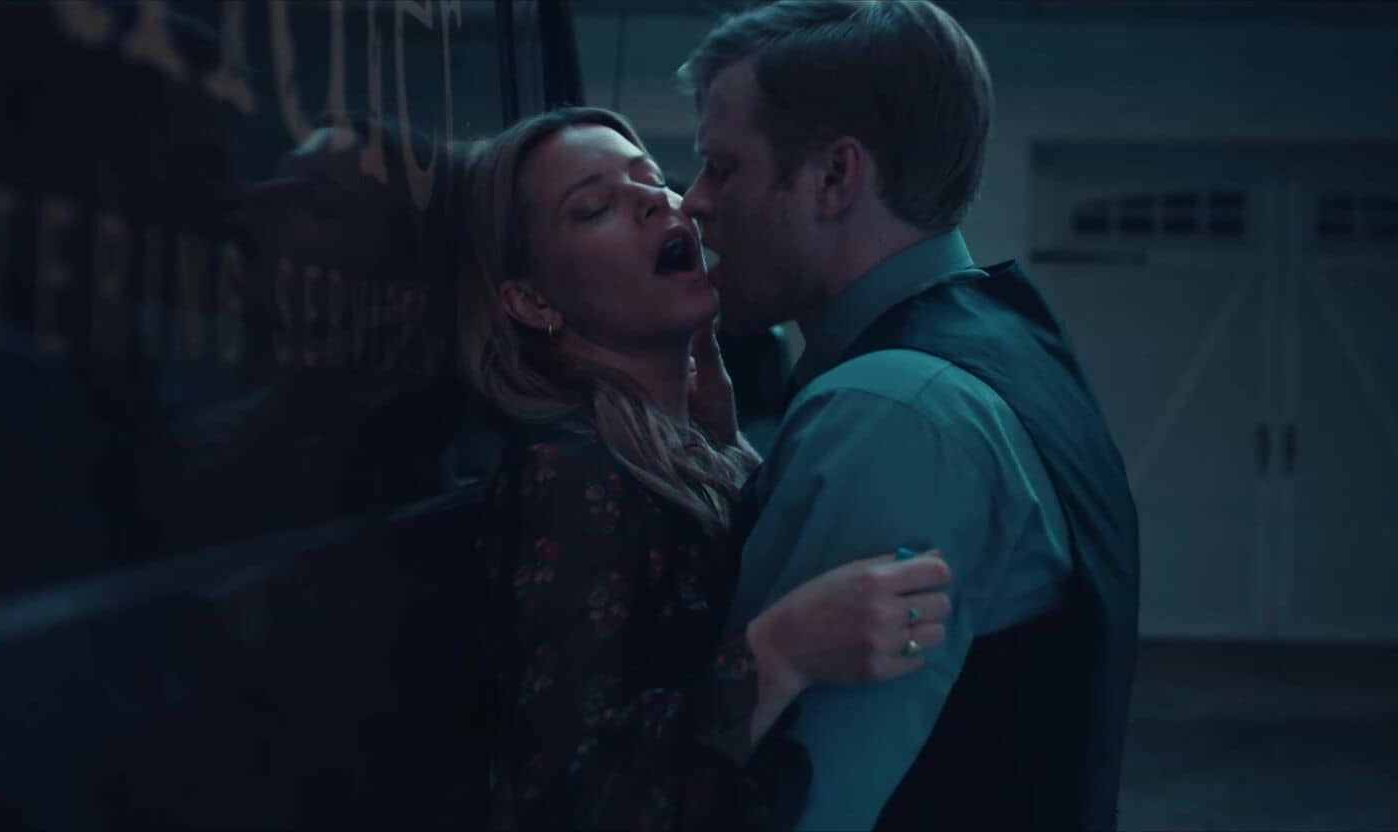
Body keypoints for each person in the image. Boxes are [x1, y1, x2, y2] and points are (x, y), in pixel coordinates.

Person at [674, 2, 1141, 830]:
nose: (692, 202)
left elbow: (793, 807)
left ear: (834, 177)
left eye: (721, 167)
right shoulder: (1007, 336)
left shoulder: (891, 412)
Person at [451, 105, 957, 831]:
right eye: (594, 207)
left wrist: (726, 447)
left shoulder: (691, 441)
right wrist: (781, 652)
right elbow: (568, 800)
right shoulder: (568, 475)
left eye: (652, 177)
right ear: (531, 301)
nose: (658, 201)